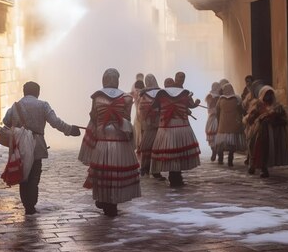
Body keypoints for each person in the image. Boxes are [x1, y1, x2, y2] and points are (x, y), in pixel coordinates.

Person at [3, 81, 81, 215]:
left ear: (24, 92)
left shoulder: (16, 106)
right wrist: (70, 129)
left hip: (20, 144)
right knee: (34, 175)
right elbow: (55, 122)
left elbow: (6, 121)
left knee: (24, 175)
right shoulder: (43, 105)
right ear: (37, 92)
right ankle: (31, 205)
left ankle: (27, 205)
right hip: (37, 144)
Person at [78, 69, 141, 217]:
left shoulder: (97, 97)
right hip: (120, 142)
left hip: (102, 141)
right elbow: (126, 120)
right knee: (117, 172)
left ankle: (104, 200)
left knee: (104, 172)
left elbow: (94, 118)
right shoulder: (126, 98)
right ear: (117, 80)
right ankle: (112, 202)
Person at [150, 81, 201, 187]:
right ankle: (176, 176)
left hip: (166, 128)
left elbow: (154, 108)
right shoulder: (185, 94)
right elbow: (191, 106)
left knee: (171, 153)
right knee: (179, 153)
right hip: (182, 127)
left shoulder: (160, 94)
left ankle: (174, 176)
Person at [244, 85, 288, 177]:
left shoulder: (278, 107)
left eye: (270, 94)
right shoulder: (257, 105)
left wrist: (272, 119)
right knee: (253, 148)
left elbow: (283, 120)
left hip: (270, 134)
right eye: (266, 94)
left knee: (265, 150)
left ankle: (263, 169)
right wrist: (259, 118)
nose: (268, 97)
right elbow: (250, 119)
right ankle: (252, 166)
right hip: (257, 132)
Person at [136, 74, 165, 180]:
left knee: (146, 147)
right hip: (160, 123)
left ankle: (144, 168)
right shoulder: (161, 93)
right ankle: (156, 171)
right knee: (158, 148)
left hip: (148, 124)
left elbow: (140, 110)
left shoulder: (143, 94)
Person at [214, 83, 246, 167]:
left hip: (223, 124)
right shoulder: (237, 98)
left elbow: (217, 111)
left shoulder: (221, 99)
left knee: (221, 142)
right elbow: (242, 110)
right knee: (232, 143)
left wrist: (218, 121)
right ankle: (230, 160)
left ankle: (220, 158)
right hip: (234, 123)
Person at [205, 82, 221, 162]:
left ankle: (215, 151)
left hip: (213, 118)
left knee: (214, 136)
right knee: (215, 135)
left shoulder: (210, 96)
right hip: (216, 118)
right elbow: (211, 108)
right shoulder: (216, 97)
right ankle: (215, 151)